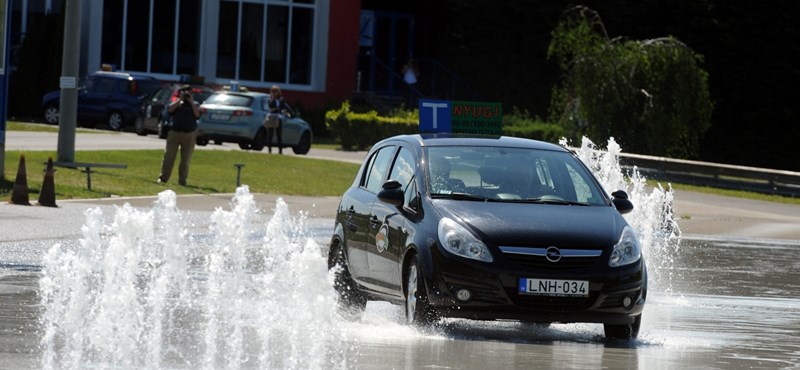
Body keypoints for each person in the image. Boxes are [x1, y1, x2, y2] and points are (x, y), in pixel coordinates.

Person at [158, 86, 200, 186]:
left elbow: (197, 114)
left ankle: (182, 180)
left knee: (185, 159)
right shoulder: (176, 102)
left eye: (189, 93)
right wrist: (179, 100)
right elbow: (170, 110)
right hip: (175, 132)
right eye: (185, 93)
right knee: (169, 156)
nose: (187, 95)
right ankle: (163, 177)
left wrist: (191, 101)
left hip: (189, 134)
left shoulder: (195, 104)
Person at [265, 85, 285, 154]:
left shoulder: (281, 99)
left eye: (276, 91)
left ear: (278, 92)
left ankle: (280, 151)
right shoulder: (270, 99)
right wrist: (273, 99)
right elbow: (270, 107)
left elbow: (282, 107)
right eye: (273, 92)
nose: (274, 93)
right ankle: (269, 150)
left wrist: (277, 108)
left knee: (279, 134)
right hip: (271, 117)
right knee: (270, 134)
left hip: (278, 118)